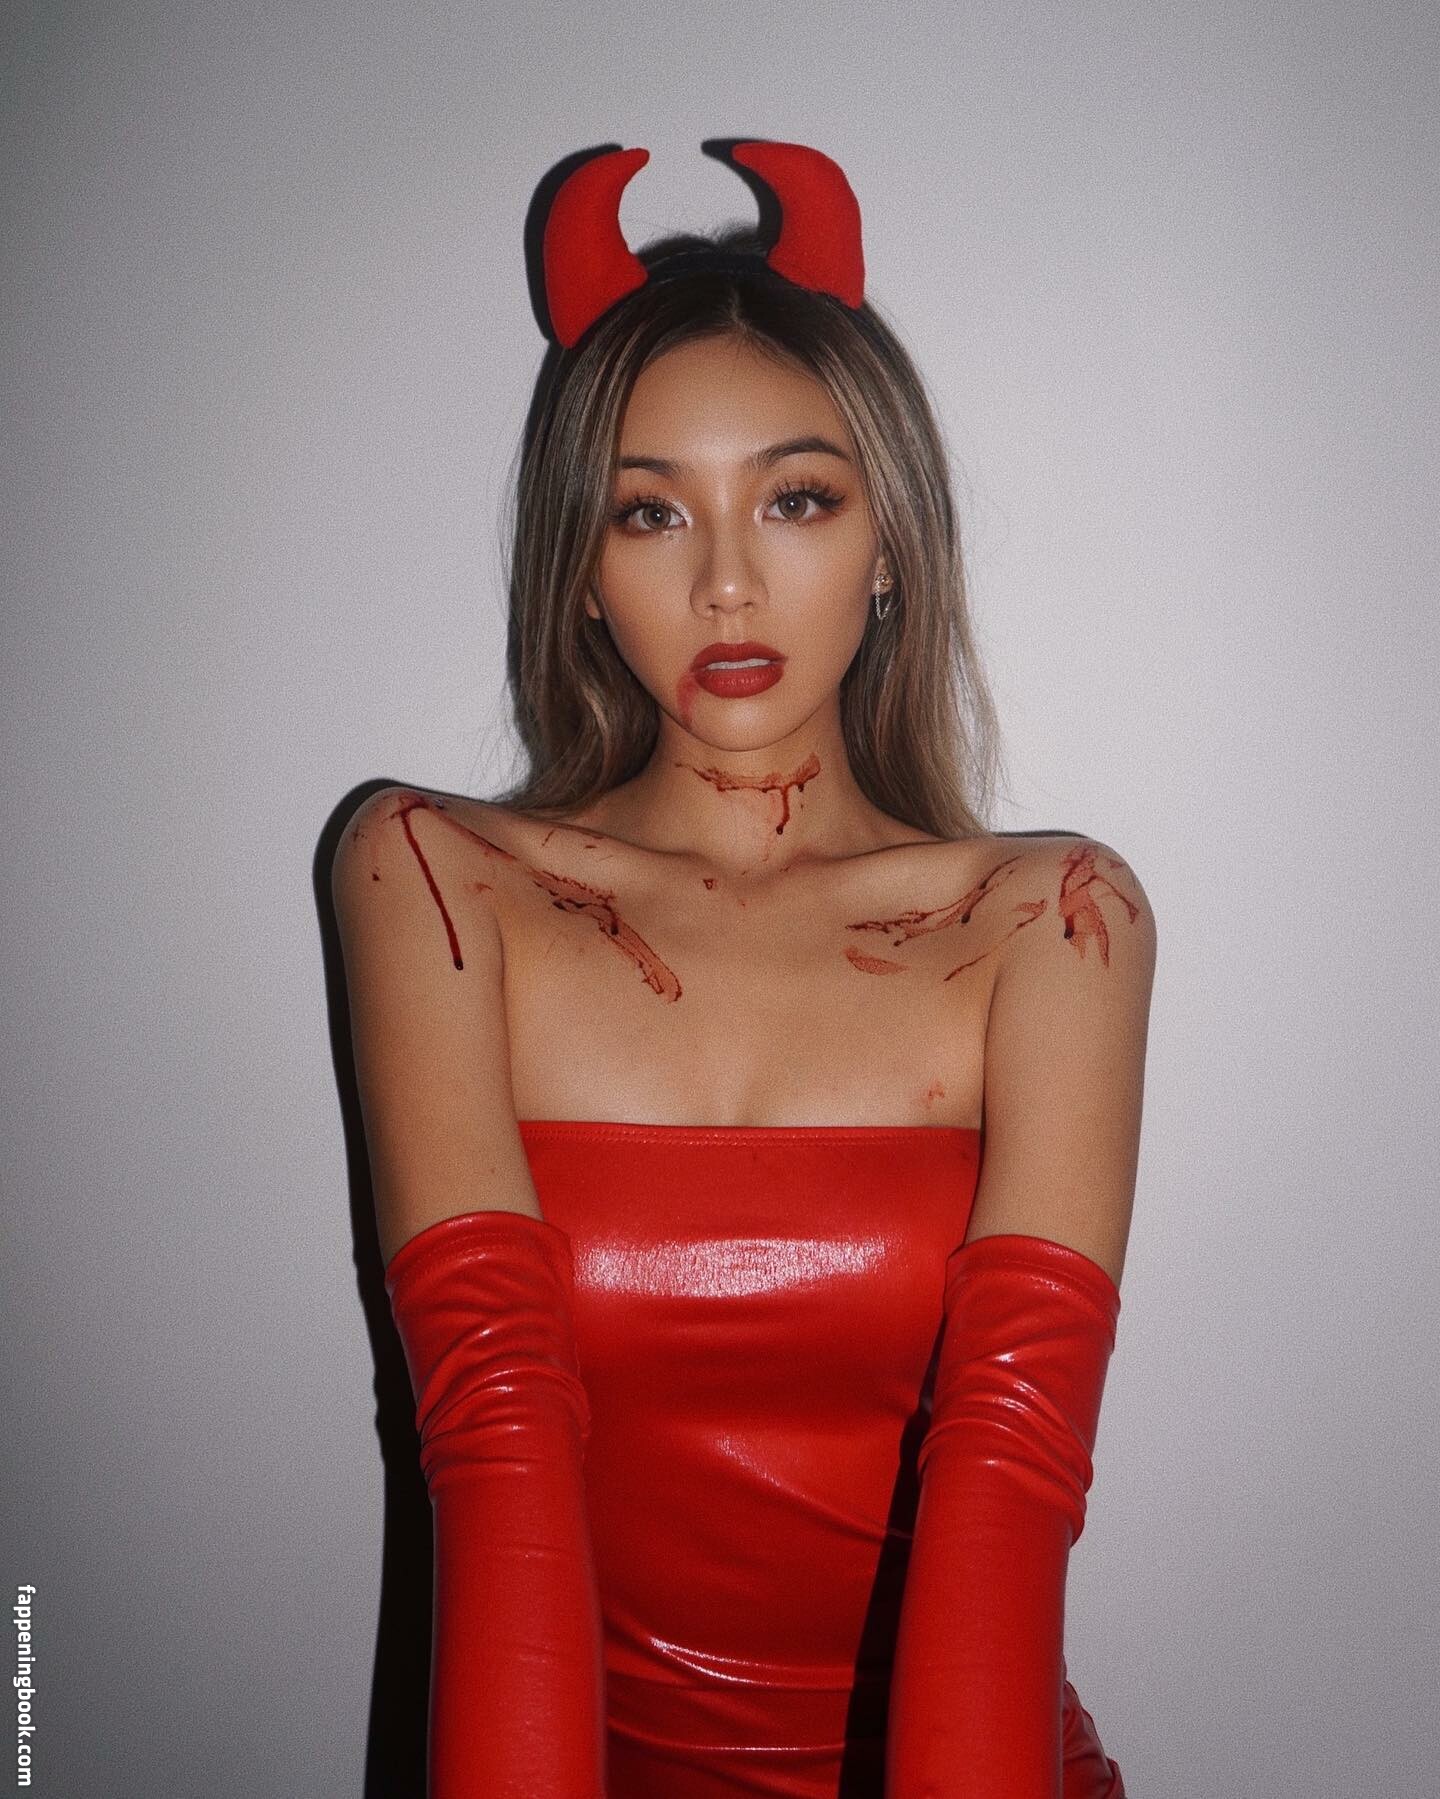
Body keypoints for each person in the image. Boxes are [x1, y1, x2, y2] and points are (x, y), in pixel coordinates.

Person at [331, 140, 1156, 1799]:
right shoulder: (434, 881)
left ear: (889, 541)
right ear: (579, 570)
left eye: (796, 499)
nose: (725, 580)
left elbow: (1011, 1473)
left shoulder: (1051, 920)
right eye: (650, 511)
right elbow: (493, 1429)